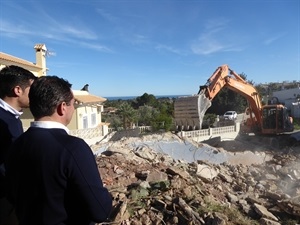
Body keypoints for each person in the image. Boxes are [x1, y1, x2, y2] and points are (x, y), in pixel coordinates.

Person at [5, 76, 112, 225]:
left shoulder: (17, 145)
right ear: (62, 107)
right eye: (73, 104)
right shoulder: (74, 149)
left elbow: (11, 194)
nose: (73, 109)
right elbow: (100, 211)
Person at [0, 65, 37, 225]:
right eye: (32, 90)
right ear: (18, 90)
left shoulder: (10, 118)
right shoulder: (3, 122)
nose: (35, 95)